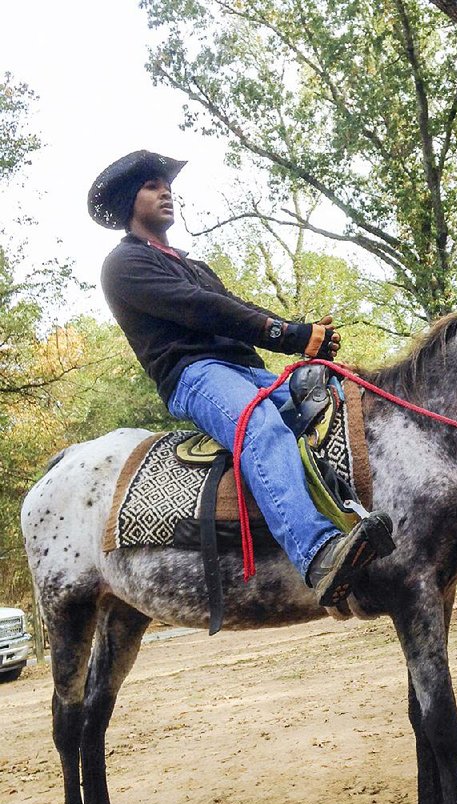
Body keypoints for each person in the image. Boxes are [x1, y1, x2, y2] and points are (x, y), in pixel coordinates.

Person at [88, 150, 394, 607]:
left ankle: (357, 520)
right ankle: (318, 554)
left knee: (341, 404)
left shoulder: (194, 264)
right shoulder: (124, 265)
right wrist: (289, 335)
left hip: (252, 370)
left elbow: (242, 310)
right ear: (129, 201)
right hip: (197, 375)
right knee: (261, 428)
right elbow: (200, 308)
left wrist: (306, 333)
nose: (166, 191)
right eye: (152, 186)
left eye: (166, 185)